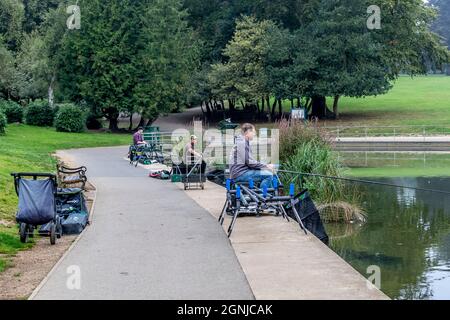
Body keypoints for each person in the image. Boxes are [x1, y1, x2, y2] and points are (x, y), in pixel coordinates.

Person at [230, 123, 275, 189]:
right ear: (248, 132)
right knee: (268, 175)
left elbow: (250, 161)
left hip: (240, 172)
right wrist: (266, 166)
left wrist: (264, 166)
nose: (254, 134)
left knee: (268, 174)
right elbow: (249, 162)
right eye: (253, 132)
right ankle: (262, 196)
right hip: (240, 174)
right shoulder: (242, 143)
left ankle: (271, 196)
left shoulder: (242, 141)